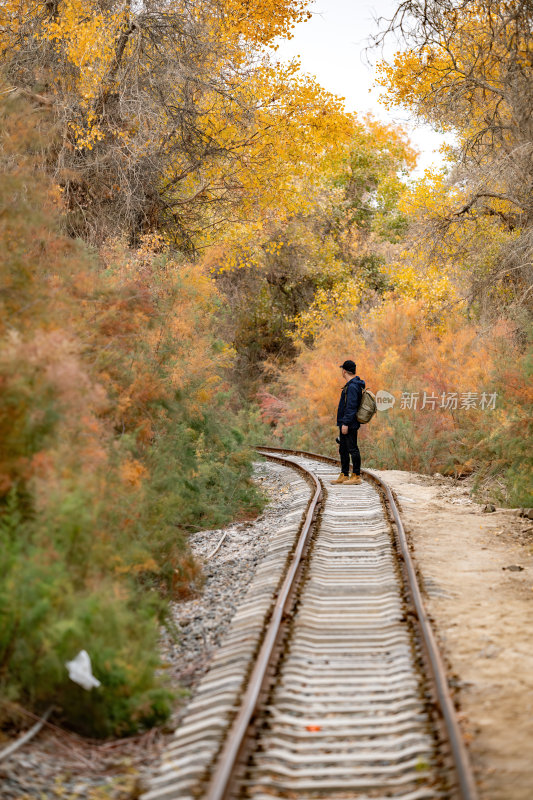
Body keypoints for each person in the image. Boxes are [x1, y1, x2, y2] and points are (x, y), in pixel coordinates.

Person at [331, 359, 365, 485]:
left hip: (349, 424)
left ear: (344, 371)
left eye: (342, 370)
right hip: (345, 422)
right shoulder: (352, 385)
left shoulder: (353, 386)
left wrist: (345, 423)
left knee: (352, 448)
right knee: (343, 449)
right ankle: (344, 474)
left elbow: (351, 407)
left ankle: (356, 475)